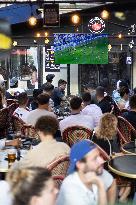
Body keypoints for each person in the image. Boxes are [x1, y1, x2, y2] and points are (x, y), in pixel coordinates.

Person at [56, 140, 116, 205]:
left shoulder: (96, 171)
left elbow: (112, 183)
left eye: (99, 156)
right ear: (80, 165)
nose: (101, 161)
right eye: (95, 158)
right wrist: (100, 186)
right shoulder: (71, 190)